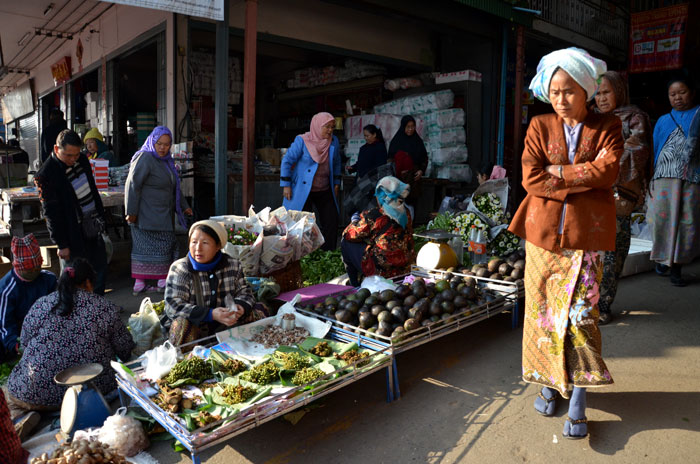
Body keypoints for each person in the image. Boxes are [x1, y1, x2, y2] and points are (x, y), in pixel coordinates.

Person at [508, 47, 623, 440]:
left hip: (587, 236)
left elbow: (608, 173)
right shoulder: (539, 126)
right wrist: (581, 178)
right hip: (541, 236)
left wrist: (560, 173)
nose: (561, 99)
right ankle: (548, 380)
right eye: (555, 91)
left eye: (570, 91)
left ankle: (578, 397)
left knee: (580, 316)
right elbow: (531, 178)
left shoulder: (608, 126)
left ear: (587, 91)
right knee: (542, 310)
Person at [5, 259, 134, 439]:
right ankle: (65, 410)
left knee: (11, 393)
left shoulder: (41, 304)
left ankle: (23, 414)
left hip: (35, 392)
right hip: (91, 387)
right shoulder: (103, 307)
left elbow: (25, 346)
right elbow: (125, 349)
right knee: (115, 381)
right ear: (88, 282)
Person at [594, 71, 653, 323]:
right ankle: (586, 301)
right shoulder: (591, 118)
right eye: (597, 93)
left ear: (619, 90)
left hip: (619, 194)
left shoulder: (634, 117)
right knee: (590, 251)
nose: (601, 98)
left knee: (613, 250)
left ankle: (604, 304)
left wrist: (604, 164)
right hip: (592, 192)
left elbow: (637, 148)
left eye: (606, 92)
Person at [163, 220, 263, 345]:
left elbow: (245, 292)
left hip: (226, 323)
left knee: (259, 312)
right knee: (181, 326)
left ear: (217, 246)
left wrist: (239, 307)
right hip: (196, 326)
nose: (198, 248)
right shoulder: (180, 269)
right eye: (194, 242)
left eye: (205, 243)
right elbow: (173, 306)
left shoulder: (232, 265)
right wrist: (211, 314)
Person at [34, 129, 108, 294]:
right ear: (56, 149)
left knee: (99, 269)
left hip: (93, 224)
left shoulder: (82, 159)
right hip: (71, 232)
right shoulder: (45, 175)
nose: (73, 159)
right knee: (74, 276)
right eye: (68, 155)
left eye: (76, 154)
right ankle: (73, 313)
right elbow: (51, 213)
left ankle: (99, 308)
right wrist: (61, 244)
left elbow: (93, 190)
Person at [125, 126, 192, 295]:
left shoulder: (167, 161)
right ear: (152, 142)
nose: (162, 148)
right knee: (145, 249)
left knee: (165, 246)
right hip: (146, 214)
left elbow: (175, 188)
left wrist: (185, 207)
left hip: (163, 213)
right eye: (159, 144)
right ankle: (141, 283)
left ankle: (161, 282)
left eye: (167, 144)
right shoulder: (145, 157)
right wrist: (131, 211)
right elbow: (132, 185)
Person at [648, 76, 700, 286]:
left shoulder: (698, 114)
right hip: (663, 178)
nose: (677, 97)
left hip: (691, 178)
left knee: (686, 223)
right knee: (660, 221)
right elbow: (655, 148)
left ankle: (676, 267)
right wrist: (649, 176)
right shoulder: (662, 120)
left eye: (682, 92)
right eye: (672, 94)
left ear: (692, 92)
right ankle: (662, 261)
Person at [280, 112, 341, 251]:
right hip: (303, 190)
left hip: (325, 188)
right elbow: (287, 161)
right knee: (304, 224)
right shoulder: (302, 140)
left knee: (331, 220)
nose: (330, 130)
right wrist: (286, 185)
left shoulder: (334, 141)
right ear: (316, 126)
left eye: (332, 127)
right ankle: (304, 254)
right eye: (327, 127)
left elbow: (337, 162)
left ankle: (328, 253)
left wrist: (337, 183)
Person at [341, 176, 415, 287]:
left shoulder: (375, 215)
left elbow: (349, 235)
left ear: (382, 196)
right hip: (405, 266)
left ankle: (354, 283)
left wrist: (355, 220)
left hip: (382, 270)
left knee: (345, 243)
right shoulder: (407, 212)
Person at [0, 234, 57, 361]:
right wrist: (15, 345)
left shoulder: (49, 280)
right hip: (18, 337)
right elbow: (5, 324)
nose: (34, 272)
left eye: (37, 269)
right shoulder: (7, 289)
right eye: (30, 270)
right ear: (19, 268)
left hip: (45, 334)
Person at [387, 115, 428, 214]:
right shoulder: (396, 141)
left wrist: (421, 171)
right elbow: (390, 160)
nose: (410, 129)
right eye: (408, 127)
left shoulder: (417, 141)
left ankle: (411, 227)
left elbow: (424, 158)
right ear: (403, 127)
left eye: (413, 126)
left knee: (412, 204)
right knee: (398, 205)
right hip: (399, 180)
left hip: (413, 180)